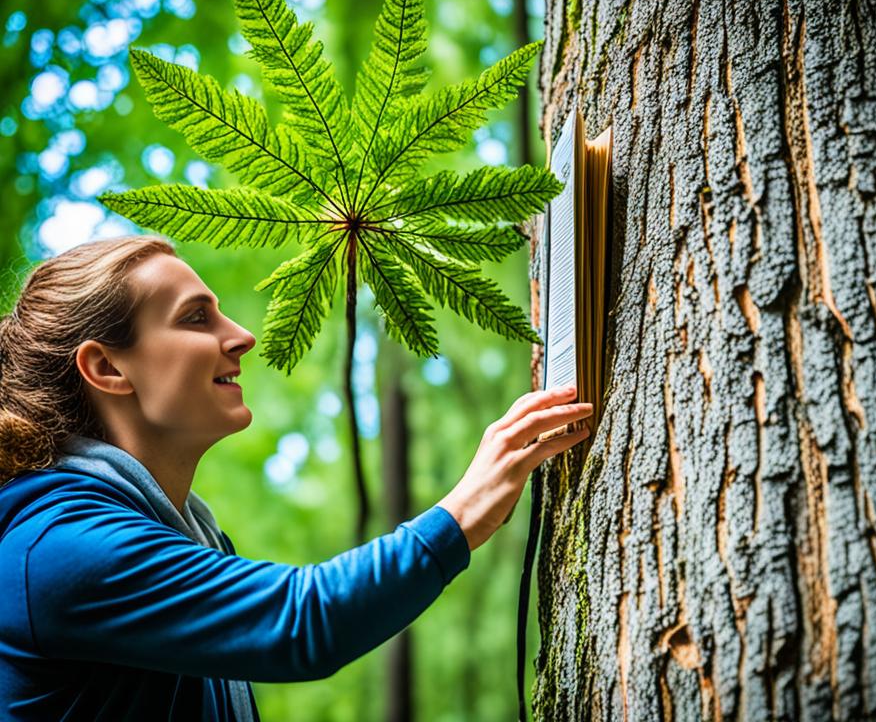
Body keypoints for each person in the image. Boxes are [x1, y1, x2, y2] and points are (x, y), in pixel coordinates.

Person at [0, 235, 592, 721]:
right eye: (196, 318)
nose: (241, 336)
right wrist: (461, 515)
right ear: (106, 367)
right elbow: (304, 621)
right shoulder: (56, 550)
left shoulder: (181, 538)